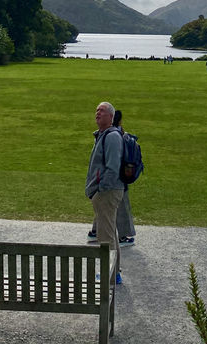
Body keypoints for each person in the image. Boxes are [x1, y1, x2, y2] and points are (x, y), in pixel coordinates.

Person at [85, 102, 124, 284]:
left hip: (107, 192)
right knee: (109, 232)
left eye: (101, 111)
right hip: (104, 191)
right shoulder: (104, 135)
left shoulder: (112, 137)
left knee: (106, 236)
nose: (97, 113)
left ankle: (109, 275)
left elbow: (113, 167)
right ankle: (113, 272)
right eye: (96, 110)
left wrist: (101, 190)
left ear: (111, 116)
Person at [88, 110, 136, 247]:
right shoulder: (114, 135)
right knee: (108, 233)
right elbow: (112, 167)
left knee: (106, 226)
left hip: (108, 186)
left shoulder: (108, 135)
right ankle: (120, 239)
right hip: (113, 185)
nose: (97, 114)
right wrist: (102, 188)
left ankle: (111, 267)